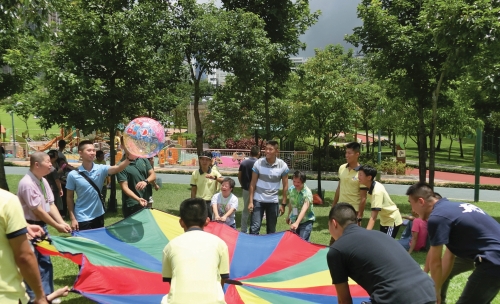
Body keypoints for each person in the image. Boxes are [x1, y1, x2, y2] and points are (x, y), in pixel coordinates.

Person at [407, 182, 500, 304]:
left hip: (493, 260)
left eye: (411, 204)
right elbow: (449, 257)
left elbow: (436, 262)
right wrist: (435, 286)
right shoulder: (454, 208)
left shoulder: (437, 217)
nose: (412, 210)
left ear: (421, 201)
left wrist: (434, 292)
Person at [327, 203, 436, 304]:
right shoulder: (379, 234)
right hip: (429, 292)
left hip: (397, 297)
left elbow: (344, 300)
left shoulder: (337, 250)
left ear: (334, 223)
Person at [17, 152, 72, 301]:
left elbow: (50, 204)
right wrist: (56, 225)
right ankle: (35, 298)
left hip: (42, 228)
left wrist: (61, 222)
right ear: (36, 164)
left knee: (45, 261)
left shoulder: (43, 180)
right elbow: (38, 211)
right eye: (48, 162)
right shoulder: (27, 183)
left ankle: (48, 295)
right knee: (32, 264)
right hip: (29, 229)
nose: (51, 164)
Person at [0, 188, 70, 304]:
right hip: (7, 295)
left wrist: (24, 226)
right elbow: (24, 257)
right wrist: (41, 296)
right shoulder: (7, 201)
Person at [161, 198, 229, 304]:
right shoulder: (220, 244)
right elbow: (222, 279)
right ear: (207, 221)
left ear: (181, 222)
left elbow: (171, 280)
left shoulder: (170, 246)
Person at [66, 140, 137, 231]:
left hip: (99, 214)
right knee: (85, 243)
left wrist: (129, 159)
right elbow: (69, 197)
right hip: (82, 216)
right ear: (80, 153)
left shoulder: (100, 169)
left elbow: (117, 168)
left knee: (98, 244)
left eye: (93, 150)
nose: (92, 153)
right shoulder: (73, 175)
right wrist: (73, 218)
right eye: (89, 150)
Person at [248, 140, 289, 235]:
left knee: (271, 230)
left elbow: (285, 186)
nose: (267, 151)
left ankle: (269, 250)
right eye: (266, 149)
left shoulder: (283, 165)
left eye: (271, 149)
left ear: (276, 151)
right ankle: (252, 248)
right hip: (258, 200)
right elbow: (252, 183)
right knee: (254, 228)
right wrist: (250, 201)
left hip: (273, 202)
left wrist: (283, 204)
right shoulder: (258, 163)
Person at [357, 164, 403, 238]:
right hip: (385, 220)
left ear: (369, 177)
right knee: (383, 244)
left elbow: (373, 217)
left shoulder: (377, 191)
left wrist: (366, 234)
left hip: (391, 220)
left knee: (387, 245)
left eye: (360, 175)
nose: (358, 177)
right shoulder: (372, 185)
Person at [117, 137, 157, 217]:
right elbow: (125, 188)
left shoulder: (143, 159)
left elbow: (153, 175)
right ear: (122, 146)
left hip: (146, 200)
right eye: (127, 144)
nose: (130, 146)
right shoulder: (120, 166)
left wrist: (146, 181)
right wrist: (137, 199)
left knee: (147, 227)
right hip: (132, 204)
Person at [190, 151, 223, 221]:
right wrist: (192, 202)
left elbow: (224, 181)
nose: (204, 161)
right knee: (199, 221)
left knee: (211, 221)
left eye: (207, 160)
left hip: (211, 202)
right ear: (199, 160)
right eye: (202, 159)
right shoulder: (195, 173)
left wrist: (214, 178)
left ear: (210, 161)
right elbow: (193, 189)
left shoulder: (214, 172)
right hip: (199, 201)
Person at [284, 170, 315, 241]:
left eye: (298, 182)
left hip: (306, 221)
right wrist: (289, 216)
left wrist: (297, 223)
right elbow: (292, 203)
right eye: (294, 181)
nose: (295, 184)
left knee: (301, 241)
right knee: (295, 241)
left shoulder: (307, 193)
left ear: (303, 182)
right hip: (295, 219)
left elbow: (304, 209)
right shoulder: (291, 190)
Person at [238, 146, 260, 233]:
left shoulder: (244, 163)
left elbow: (239, 176)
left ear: (250, 153)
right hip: (258, 190)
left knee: (246, 210)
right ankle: (254, 228)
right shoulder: (259, 163)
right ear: (259, 153)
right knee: (257, 210)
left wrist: (242, 184)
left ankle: (243, 229)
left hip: (246, 189)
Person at [45, 150, 63, 215]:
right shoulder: (52, 169)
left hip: (44, 187)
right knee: (53, 203)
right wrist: (60, 189)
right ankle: (53, 215)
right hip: (53, 188)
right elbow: (57, 180)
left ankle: (47, 214)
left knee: (46, 202)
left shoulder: (43, 167)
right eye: (56, 156)